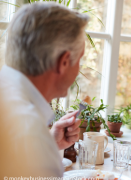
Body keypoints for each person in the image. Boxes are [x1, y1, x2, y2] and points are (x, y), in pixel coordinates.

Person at [0, 2, 89, 177]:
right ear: (64, 62)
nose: (80, 68)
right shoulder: (28, 128)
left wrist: (49, 142)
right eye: (80, 59)